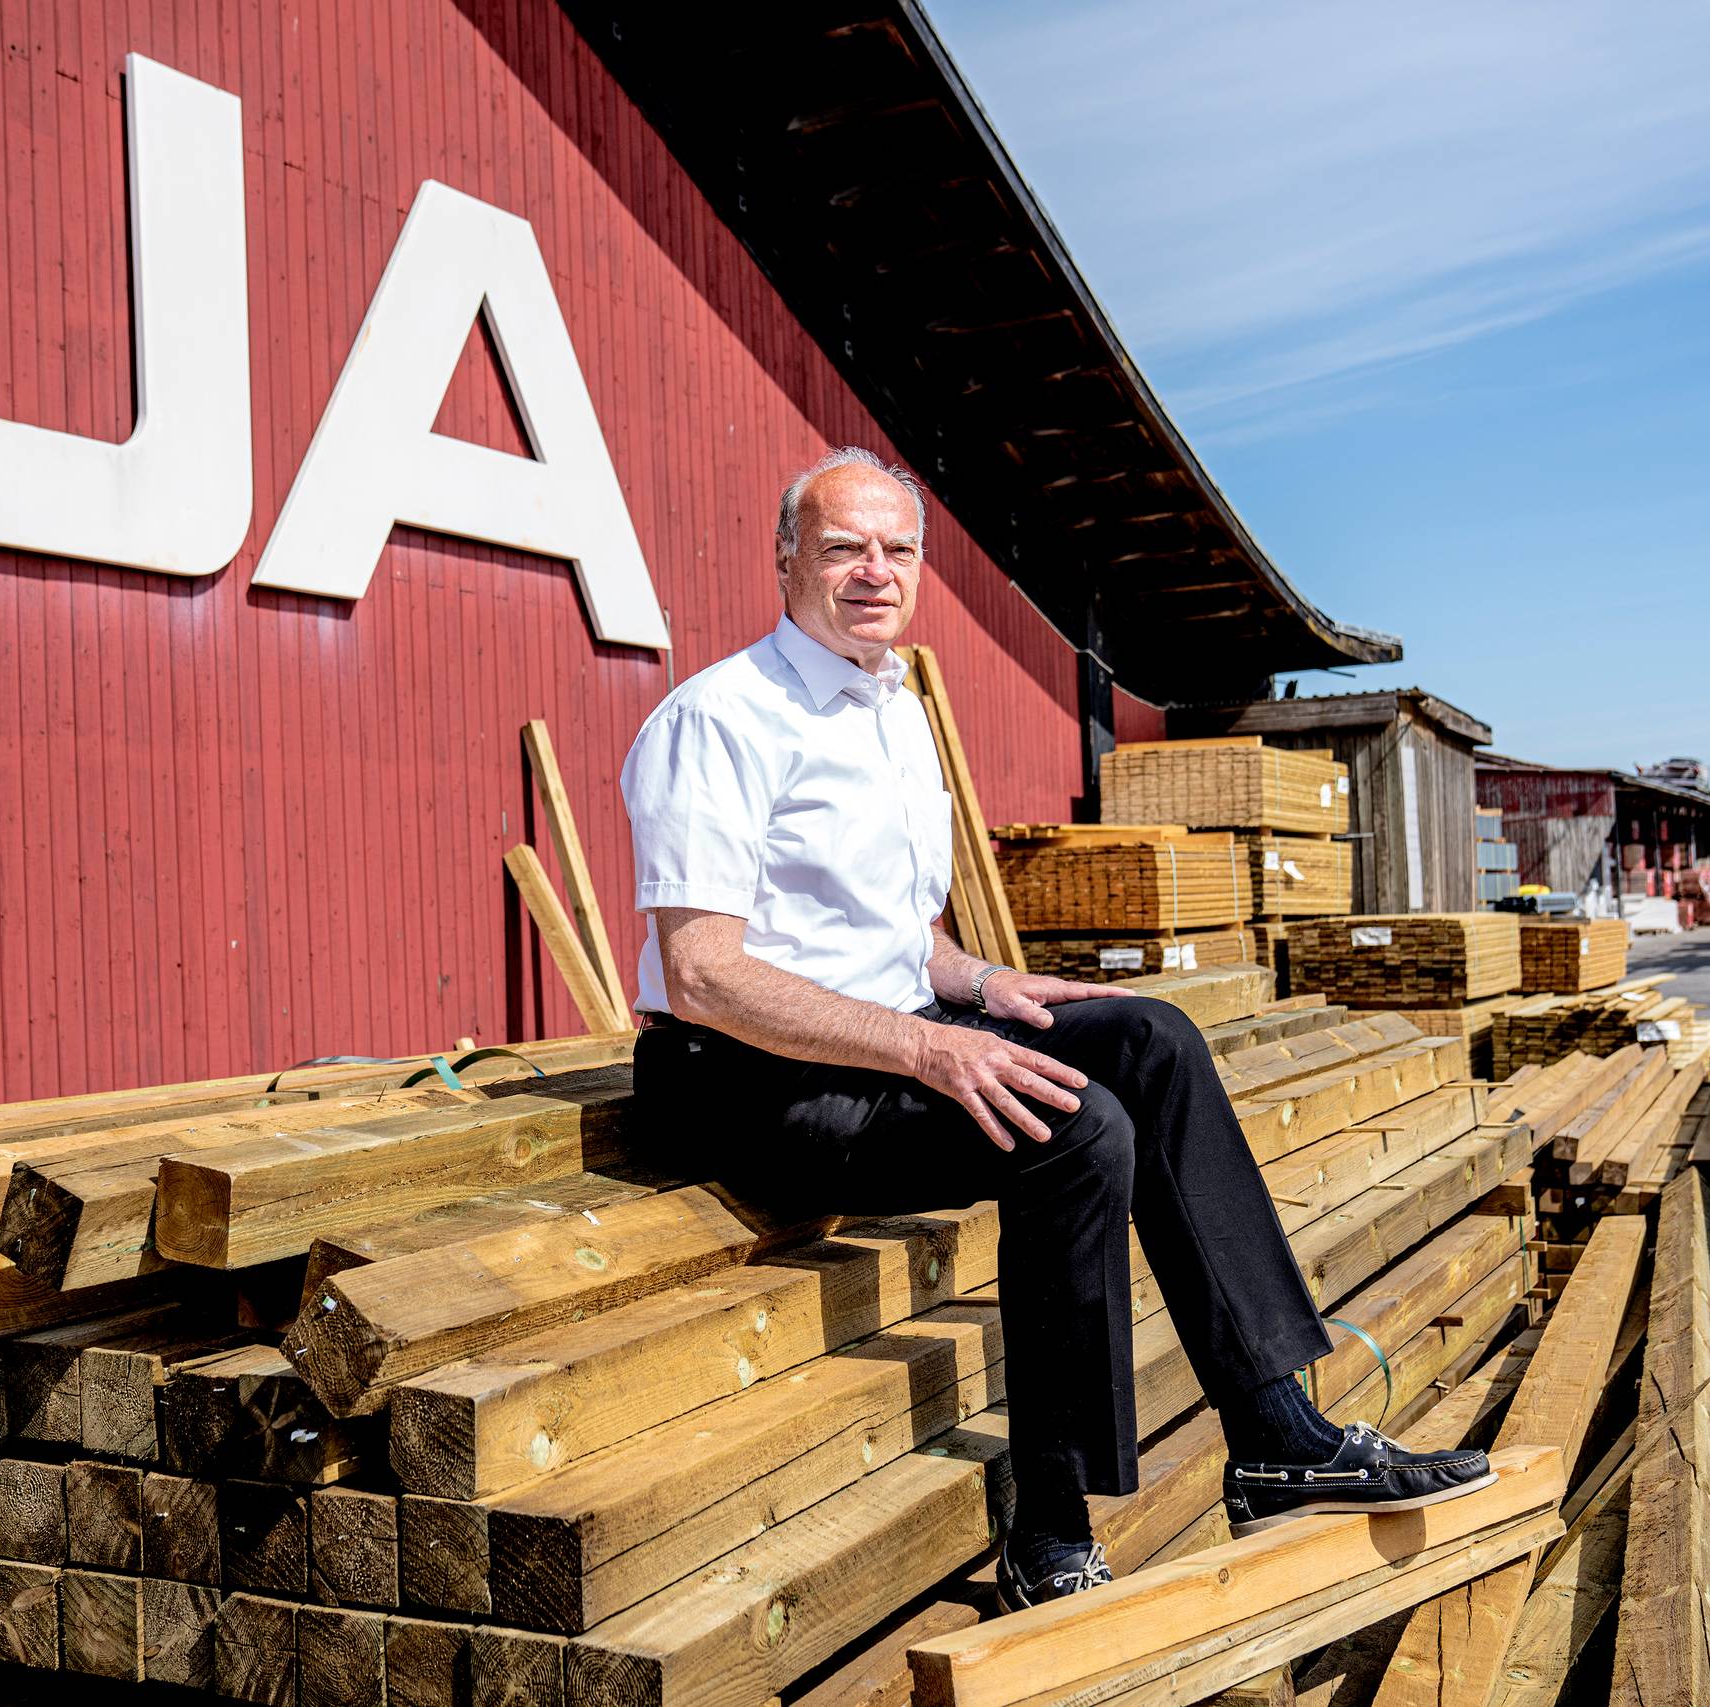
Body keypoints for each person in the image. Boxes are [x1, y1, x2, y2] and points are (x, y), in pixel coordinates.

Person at [621, 446, 1491, 1608]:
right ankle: (1048, 1526)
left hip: (884, 1031)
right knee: (1077, 1133)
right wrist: (932, 1045)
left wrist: (981, 988)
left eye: (896, 549)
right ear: (786, 559)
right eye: (841, 547)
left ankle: (1277, 1430)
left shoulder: (889, 709)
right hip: (748, 1080)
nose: (873, 571)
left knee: (1151, 1041)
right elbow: (706, 973)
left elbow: (889, 936)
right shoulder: (718, 720)